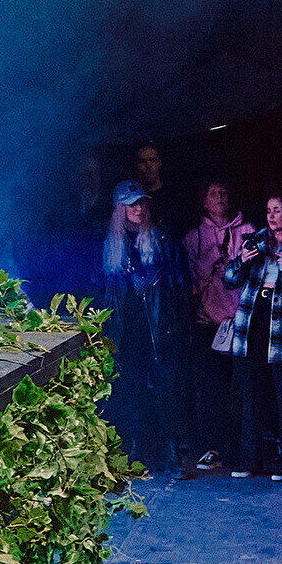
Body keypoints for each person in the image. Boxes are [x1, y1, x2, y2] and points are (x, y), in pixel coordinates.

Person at [219, 192, 282, 478]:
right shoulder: (255, 242)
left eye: (277, 210)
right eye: (269, 210)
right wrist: (241, 261)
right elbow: (229, 281)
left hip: (281, 330)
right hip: (252, 324)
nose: (271, 216)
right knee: (251, 395)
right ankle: (250, 459)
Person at [99, 181, 186, 473]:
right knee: (131, 391)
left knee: (166, 391)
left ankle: (172, 453)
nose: (139, 209)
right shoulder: (111, 244)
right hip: (128, 331)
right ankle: (135, 452)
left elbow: (177, 282)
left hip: (158, 328)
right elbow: (106, 293)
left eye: (142, 203)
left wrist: (175, 323)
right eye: (132, 204)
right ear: (121, 208)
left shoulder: (160, 238)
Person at [181, 181, 243, 472]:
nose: (219, 197)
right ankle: (213, 447)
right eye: (213, 193)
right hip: (208, 324)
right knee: (211, 391)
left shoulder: (246, 231)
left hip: (240, 323)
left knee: (240, 390)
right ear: (204, 201)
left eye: (224, 192)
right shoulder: (193, 238)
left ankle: (241, 447)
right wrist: (210, 261)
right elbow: (191, 285)